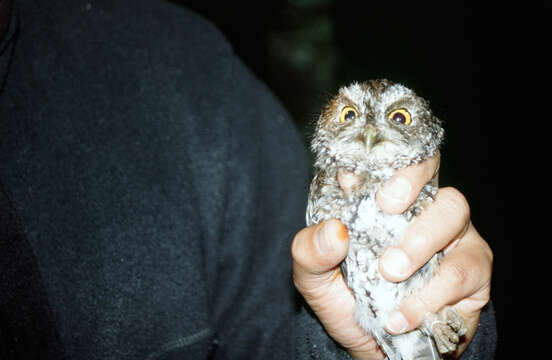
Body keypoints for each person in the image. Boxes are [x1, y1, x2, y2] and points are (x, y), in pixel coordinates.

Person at [0, 0, 496, 359]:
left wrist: (446, 322)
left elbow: (276, 336)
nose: (368, 135)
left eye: (398, 121)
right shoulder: (321, 182)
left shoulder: (181, 67)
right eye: (349, 116)